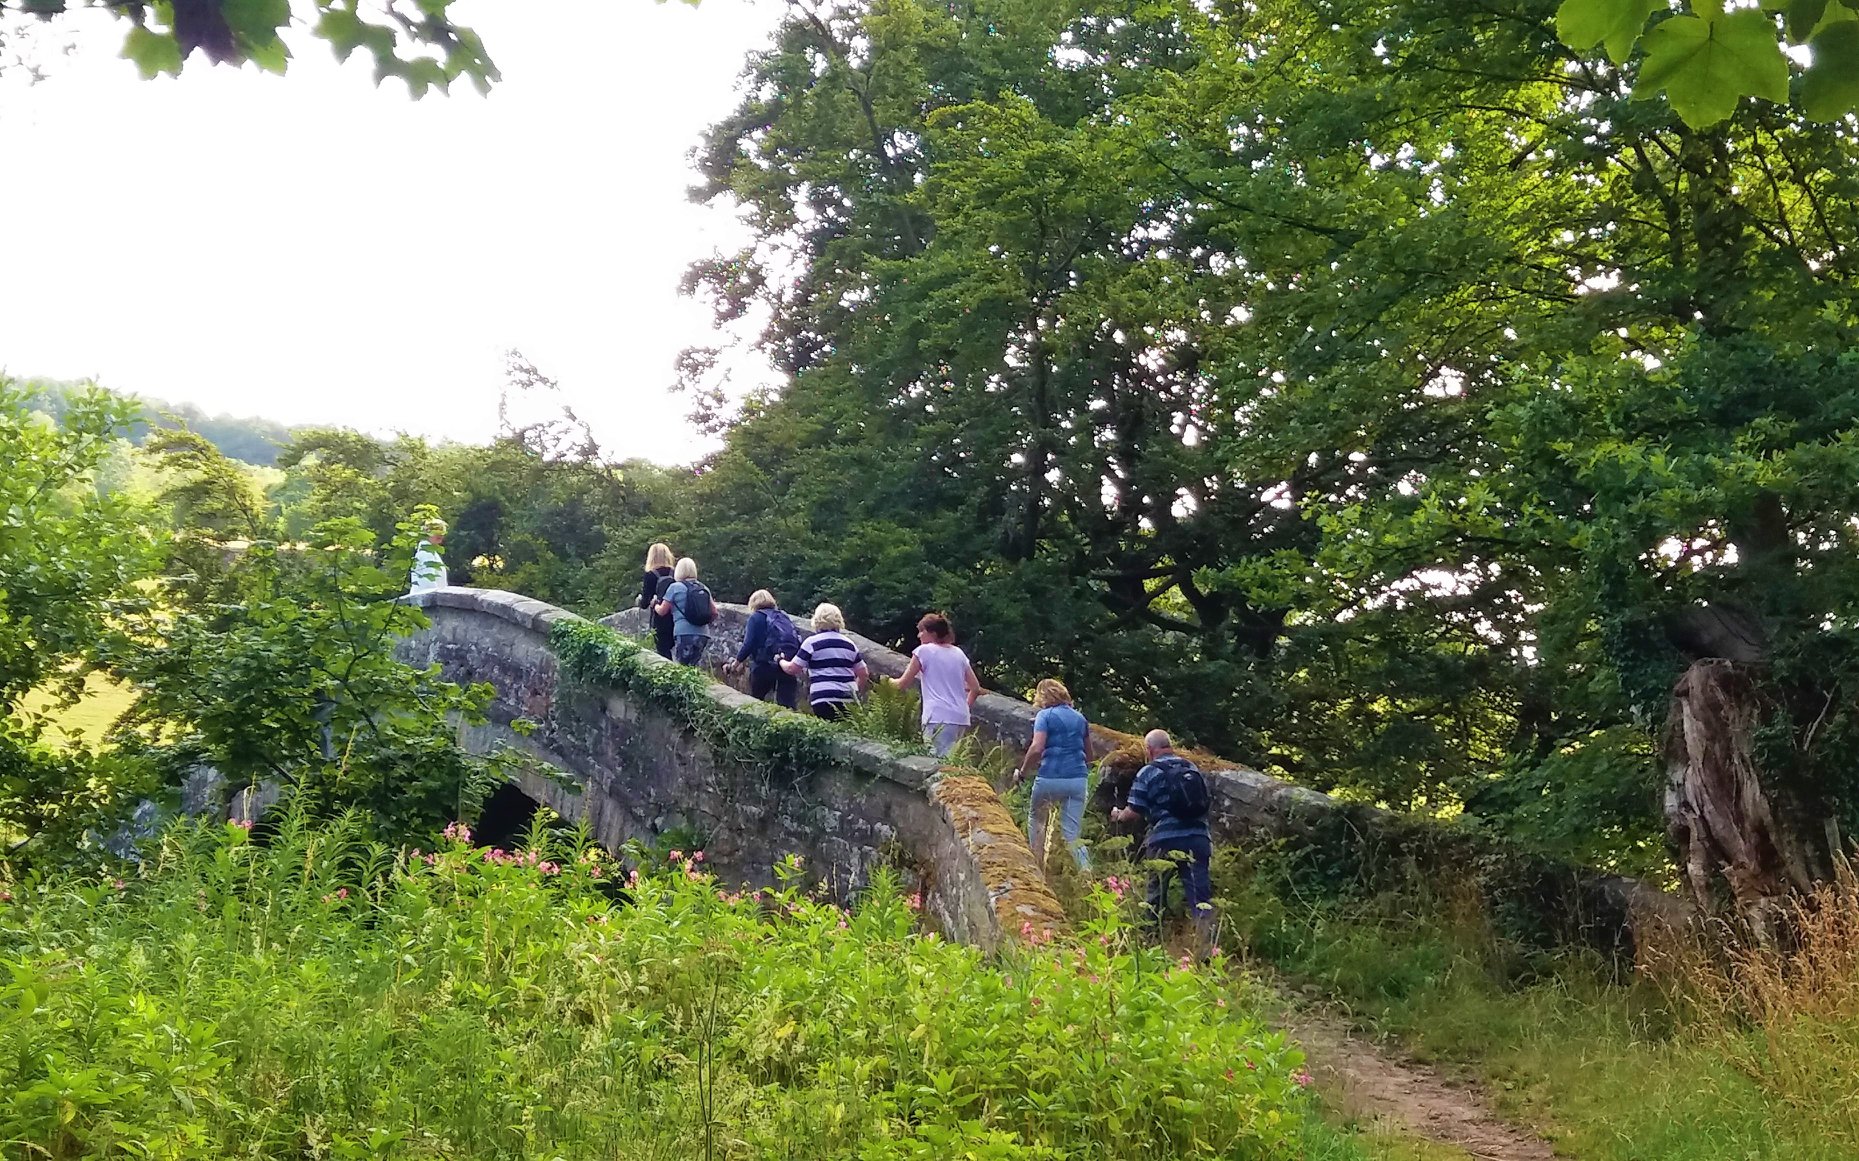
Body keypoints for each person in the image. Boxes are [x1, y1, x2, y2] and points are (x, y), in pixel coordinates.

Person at [1113, 729, 1214, 947]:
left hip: (1164, 839)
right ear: (1170, 745)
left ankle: (1151, 943)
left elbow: (1134, 812)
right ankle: (1206, 950)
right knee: (1200, 898)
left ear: (1149, 750)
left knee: (1155, 894)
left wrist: (1118, 815)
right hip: (1198, 837)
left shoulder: (1148, 772)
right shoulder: (1191, 767)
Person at [1013, 679, 1092, 872]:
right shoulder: (1080, 719)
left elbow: (1037, 747)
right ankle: (1087, 873)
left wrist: (1022, 772)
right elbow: (1090, 755)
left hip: (1050, 777)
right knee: (1072, 833)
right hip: (1077, 779)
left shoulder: (1045, 716)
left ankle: (1037, 867)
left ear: (1043, 697)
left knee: (1036, 819)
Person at [893, 612, 982, 757]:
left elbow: (902, 684)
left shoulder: (924, 651)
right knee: (951, 762)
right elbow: (975, 688)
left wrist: (885, 682)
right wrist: (965, 706)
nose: (919, 635)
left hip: (937, 717)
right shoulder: (958, 653)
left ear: (933, 633)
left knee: (936, 764)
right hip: (960, 718)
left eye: (922, 631)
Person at [780, 602, 868, 721]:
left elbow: (793, 668)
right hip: (848, 698)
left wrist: (781, 661)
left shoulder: (812, 643)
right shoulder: (849, 644)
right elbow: (863, 673)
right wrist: (853, 690)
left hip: (823, 697)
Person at [725, 589, 801, 709]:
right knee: (788, 705)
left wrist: (736, 663)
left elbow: (748, 644)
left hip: (763, 666)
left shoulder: (756, 618)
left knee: (756, 702)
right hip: (785, 663)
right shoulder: (783, 616)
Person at [654, 557, 712, 667]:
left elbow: (662, 611)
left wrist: (655, 605)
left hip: (683, 632)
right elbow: (714, 612)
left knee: (681, 667)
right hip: (703, 633)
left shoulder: (675, 587)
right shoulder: (703, 587)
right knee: (693, 667)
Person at [636, 542, 677, 659]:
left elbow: (644, 603)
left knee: (663, 652)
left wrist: (640, 600)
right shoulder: (675, 573)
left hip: (660, 618)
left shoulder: (651, 575)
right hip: (676, 616)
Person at [408, 518, 448, 594]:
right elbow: (428, 582)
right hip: (426, 600)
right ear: (428, 533)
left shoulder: (430, 552)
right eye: (438, 533)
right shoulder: (426, 553)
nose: (441, 536)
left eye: (442, 533)